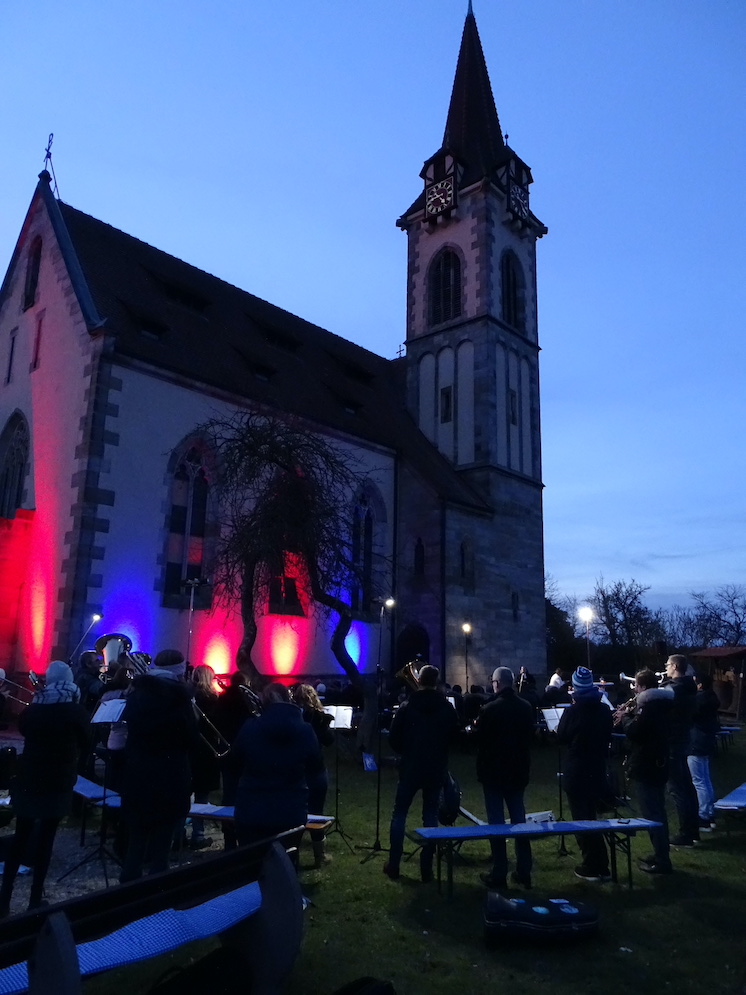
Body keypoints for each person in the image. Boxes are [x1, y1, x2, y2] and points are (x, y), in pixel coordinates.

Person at [0, 661, 89, 914]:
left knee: (21, 835)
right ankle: (35, 899)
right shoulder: (75, 710)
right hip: (57, 780)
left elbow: (25, 730)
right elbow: (86, 740)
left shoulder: (34, 708)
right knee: (46, 838)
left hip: (30, 777)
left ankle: (4, 899)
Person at [119, 649, 199, 882]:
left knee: (136, 842)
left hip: (138, 775)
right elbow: (191, 740)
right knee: (162, 846)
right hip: (170, 776)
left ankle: (125, 896)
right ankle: (156, 901)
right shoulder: (180, 698)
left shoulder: (137, 694)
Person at [384, 664, 459, 883]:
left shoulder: (407, 707)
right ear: (436, 682)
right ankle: (427, 869)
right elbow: (454, 737)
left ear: (420, 680)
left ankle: (394, 865)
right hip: (435, 769)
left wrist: (407, 750)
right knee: (431, 816)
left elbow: (393, 738)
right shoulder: (446, 707)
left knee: (399, 815)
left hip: (410, 767)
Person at [232, 683, 323, 845]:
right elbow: (315, 769)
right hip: (291, 811)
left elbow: (234, 764)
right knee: (286, 863)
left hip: (252, 811)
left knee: (250, 864)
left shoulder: (250, 727)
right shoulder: (306, 730)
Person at [475, 666, 535, 889]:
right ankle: (524, 870)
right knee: (520, 821)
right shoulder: (526, 707)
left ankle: (499, 872)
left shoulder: (490, 709)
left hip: (494, 773)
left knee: (496, 824)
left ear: (497, 684)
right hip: (518, 771)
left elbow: (479, 740)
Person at [556, 666, 613, 881]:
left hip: (577, 771)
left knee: (582, 819)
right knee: (593, 817)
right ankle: (602, 863)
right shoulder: (604, 711)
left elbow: (561, 736)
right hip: (597, 770)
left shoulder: (573, 711)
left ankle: (592, 864)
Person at [617, 668, 674, 875]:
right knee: (657, 810)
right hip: (658, 764)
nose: (635, 691)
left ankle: (662, 860)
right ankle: (660, 854)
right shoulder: (664, 704)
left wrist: (624, 718)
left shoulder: (649, 707)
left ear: (642, 687)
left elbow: (635, 732)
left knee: (653, 814)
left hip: (647, 766)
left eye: (637, 687)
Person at [293, 684, 334, 866]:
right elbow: (329, 741)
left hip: (298, 769)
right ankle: (320, 856)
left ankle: (293, 853)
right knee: (316, 812)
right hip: (316, 769)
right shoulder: (318, 717)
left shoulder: (294, 717)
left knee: (296, 812)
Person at [663, 654, 701, 847]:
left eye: (668, 665)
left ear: (676, 666)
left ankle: (686, 834)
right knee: (687, 787)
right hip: (683, 740)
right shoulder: (688, 687)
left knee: (678, 789)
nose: (666, 668)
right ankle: (693, 830)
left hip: (673, 742)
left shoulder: (675, 689)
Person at [188, 664, 222, 849]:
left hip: (190, 748)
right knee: (201, 795)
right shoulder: (212, 699)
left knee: (185, 793)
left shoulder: (188, 695)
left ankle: (179, 834)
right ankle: (198, 835)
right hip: (206, 751)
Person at [687, 673, 720, 833]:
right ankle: (710, 813)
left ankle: (704, 817)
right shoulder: (710, 698)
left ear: (699, 685)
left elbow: (689, 715)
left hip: (696, 743)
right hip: (705, 742)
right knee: (705, 780)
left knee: (699, 781)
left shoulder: (699, 700)